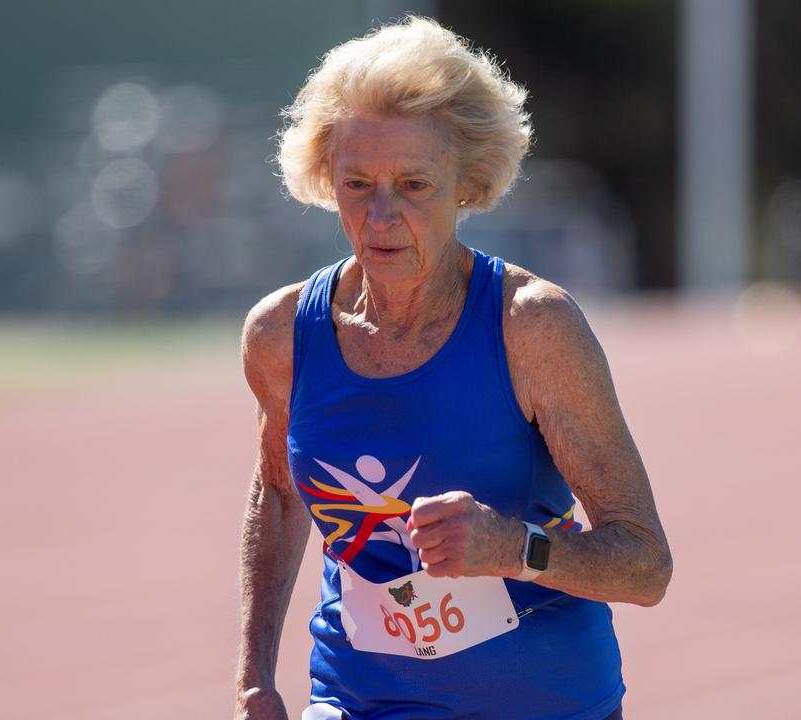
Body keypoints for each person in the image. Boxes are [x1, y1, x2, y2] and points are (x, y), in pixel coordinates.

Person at [235, 16, 671, 720]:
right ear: (323, 177)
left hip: (545, 705)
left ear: (466, 183)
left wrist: (510, 546)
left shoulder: (532, 328)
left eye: (413, 185)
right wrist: (254, 677)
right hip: (358, 701)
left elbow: (646, 566)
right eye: (357, 183)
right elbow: (281, 495)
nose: (381, 216)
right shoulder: (283, 335)